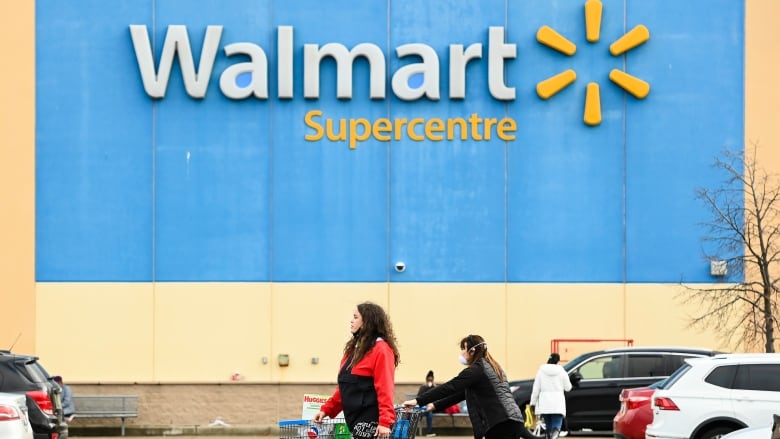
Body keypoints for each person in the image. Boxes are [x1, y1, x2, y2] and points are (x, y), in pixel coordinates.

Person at [403, 334, 524, 439]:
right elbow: (460, 394)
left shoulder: (476, 370)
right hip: (513, 421)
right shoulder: (493, 367)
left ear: (472, 351)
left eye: (463, 349)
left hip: (500, 423)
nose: (461, 353)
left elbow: (450, 387)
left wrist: (418, 400)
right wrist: (434, 405)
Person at [313, 302, 400, 439]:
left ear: (367, 322)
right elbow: (346, 387)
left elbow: (385, 388)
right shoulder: (354, 350)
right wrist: (326, 409)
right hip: (354, 420)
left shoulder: (381, 349)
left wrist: (385, 421)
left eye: (355, 317)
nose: (351, 320)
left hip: (371, 420)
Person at [530, 353, 572, 439]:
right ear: (558, 361)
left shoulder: (541, 371)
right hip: (557, 404)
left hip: (545, 403)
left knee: (548, 427)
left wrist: (532, 403)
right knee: (556, 426)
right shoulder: (562, 371)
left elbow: (536, 388)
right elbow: (568, 388)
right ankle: (554, 436)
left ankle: (549, 436)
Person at [416, 370, 437, 437]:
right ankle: (429, 431)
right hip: (424, 407)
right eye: (429, 379)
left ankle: (429, 432)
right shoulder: (423, 387)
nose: (430, 380)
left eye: (431, 379)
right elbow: (419, 397)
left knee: (429, 413)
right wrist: (426, 387)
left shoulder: (435, 387)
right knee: (427, 413)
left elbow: (437, 397)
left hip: (432, 407)